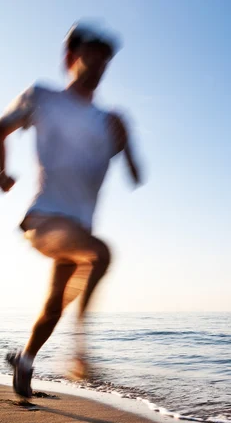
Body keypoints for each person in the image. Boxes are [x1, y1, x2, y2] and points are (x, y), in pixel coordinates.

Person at [0, 21, 142, 403]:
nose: (97, 65)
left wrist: (124, 139)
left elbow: (134, 172)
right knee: (101, 253)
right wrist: (1, 173)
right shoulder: (43, 97)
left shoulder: (107, 120)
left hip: (76, 229)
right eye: (90, 57)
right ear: (70, 58)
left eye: (104, 61)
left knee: (51, 308)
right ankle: (78, 352)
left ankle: (25, 362)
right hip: (43, 221)